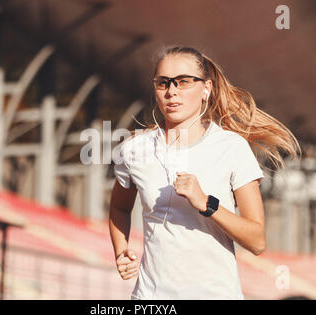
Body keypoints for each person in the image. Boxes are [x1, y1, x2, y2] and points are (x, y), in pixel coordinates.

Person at [108, 46, 301, 300]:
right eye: (163, 83)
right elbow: (119, 208)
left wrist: (207, 203)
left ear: (206, 89)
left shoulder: (232, 148)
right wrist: (121, 251)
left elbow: (256, 241)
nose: (172, 91)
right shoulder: (134, 150)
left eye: (184, 82)